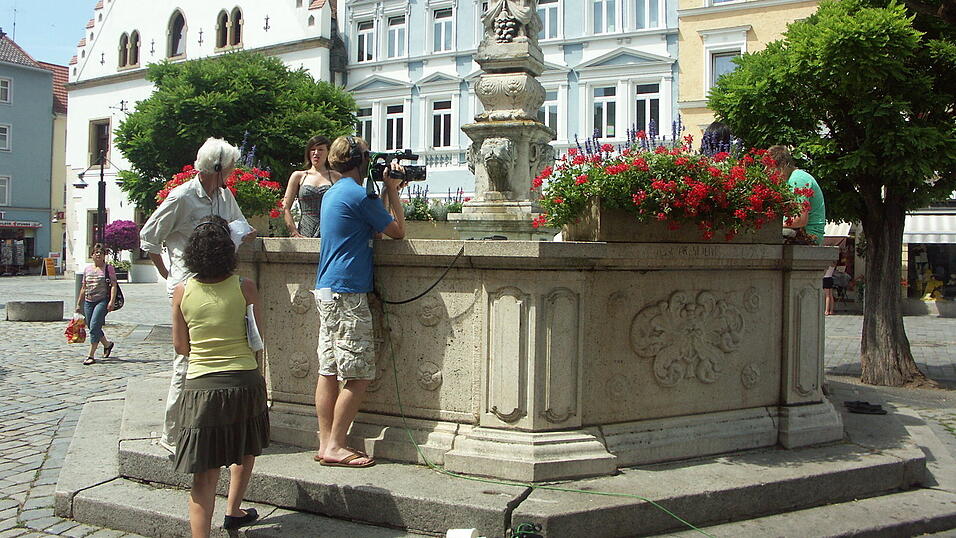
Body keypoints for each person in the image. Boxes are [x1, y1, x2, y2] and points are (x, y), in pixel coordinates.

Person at [140, 137, 256, 452]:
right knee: (186, 359)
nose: (232, 174)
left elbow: (240, 225)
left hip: (219, 283)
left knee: (214, 358)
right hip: (189, 287)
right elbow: (149, 236)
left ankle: (203, 426)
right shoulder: (181, 197)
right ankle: (173, 434)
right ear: (216, 168)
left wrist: (246, 235)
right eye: (229, 169)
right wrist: (168, 274)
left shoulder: (224, 194)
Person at [171, 215, 268, 537]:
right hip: (244, 380)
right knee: (245, 448)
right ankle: (234, 510)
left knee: (204, 475)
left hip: (202, 386)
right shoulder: (245, 286)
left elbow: (180, 346)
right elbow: (258, 338)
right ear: (229, 251)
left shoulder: (182, 291)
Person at [313, 136, 405, 468]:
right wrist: (392, 190)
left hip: (326, 288)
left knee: (329, 370)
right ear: (360, 159)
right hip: (348, 293)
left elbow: (371, 228)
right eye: (368, 155)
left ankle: (325, 442)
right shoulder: (358, 193)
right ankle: (337, 445)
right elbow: (396, 232)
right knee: (358, 373)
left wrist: (380, 192)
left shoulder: (334, 193)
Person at [282, 135, 340, 237]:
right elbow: (285, 206)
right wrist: (293, 231)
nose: (316, 153)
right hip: (304, 230)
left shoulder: (336, 177)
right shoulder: (298, 176)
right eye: (313, 149)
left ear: (328, 152)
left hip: (330, 230)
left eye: (320, 149)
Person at [769, 145, 826, 245]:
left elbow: (799, 220)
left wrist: (771, 226)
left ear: (783, 165)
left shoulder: (798, 180)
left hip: (808, 236)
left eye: (771, 168)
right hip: (799, 233)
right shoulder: (791, 179)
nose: (768, 173)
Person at [74, 243, 117, 365]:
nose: (98, 255)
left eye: (101, 253)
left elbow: (113, 285)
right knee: (92, 326)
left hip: (102, 301)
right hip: (88, 301)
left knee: (93, 326)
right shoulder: (87, 269)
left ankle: (91, 355)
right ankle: (107, 345)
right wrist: (78, 304)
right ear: (92, 255)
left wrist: (111, 301)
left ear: (104, 256)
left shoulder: (108, 269)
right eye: (96, 253)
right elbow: (84, 287)